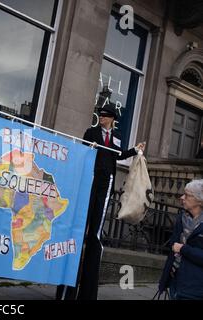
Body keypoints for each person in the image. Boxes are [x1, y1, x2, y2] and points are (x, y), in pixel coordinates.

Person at [56, 103, 145, 300]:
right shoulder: (91, 132)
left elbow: (119, 155)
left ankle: (87, 291)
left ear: (112, 118)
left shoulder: (115, 137)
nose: (102, 118)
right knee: (82, 224)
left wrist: (134, 150)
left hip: (107, 181)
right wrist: (90, 148)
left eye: (105, 116)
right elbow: (83, 150)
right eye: (101, 115)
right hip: (91, 177)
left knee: (96, 230)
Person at [158, 179, 203, 300]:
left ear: (199, 200)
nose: (182, 197)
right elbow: (173, 248)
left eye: (187, 195)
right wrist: (164, 282)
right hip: (175, 283)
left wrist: (183, 249)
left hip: (196, 289)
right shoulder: (181, 219)